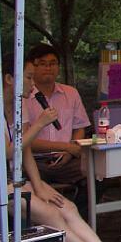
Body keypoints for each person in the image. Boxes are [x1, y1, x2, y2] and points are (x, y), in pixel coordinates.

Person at [3, 54, 121, 242]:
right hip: (4, 183)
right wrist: (40, 124)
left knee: (67, 207)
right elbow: (9, 152)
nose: (32, 83)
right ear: (9, 78)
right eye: (28, 77)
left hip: (17, 179)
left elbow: (25, 149)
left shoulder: (19, 105)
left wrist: (38, 186)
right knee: (50, 213)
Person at [22, 44, 88, 187]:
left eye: (52, 63)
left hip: (67, 158)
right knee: (24, 180)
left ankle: (77, 203)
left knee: (97, 173)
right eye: (42, 64)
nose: (48, 68)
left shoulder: (71, 93)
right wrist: (66, 147)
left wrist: (70, 151)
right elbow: (23, 140)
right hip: (35, 159)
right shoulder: (23, 98)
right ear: (32, 68)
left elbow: (79, 127)